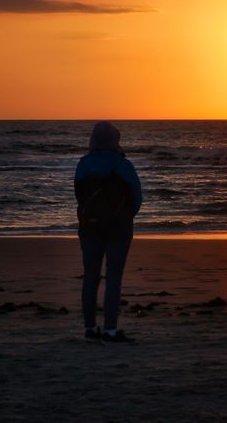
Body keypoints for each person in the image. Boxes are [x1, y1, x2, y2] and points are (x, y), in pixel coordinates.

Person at [74, 121, 142, 343]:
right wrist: (124, 216)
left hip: (90, 227)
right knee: (114, 278)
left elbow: (80, 196)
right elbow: (137, 198)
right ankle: (111, 330)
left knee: (90, 277)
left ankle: (90, 328)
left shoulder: (83, 165)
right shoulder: (124, 166)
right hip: (119, 229)